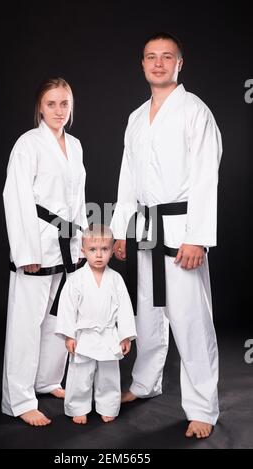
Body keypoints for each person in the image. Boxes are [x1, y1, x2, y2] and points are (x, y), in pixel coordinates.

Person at [111, 32, 222, 439]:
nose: (158, 63)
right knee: (147, 311)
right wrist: (121, 229)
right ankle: (144, 382)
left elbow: (206, 177)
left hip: (180, 229)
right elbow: (128, 180)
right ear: (142, 64)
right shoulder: (136, 117)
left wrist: (198, 237)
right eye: (150, 57)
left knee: (191, 320)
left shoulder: (195, 111)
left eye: (167, 57)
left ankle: (202, 407)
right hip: (143, 227)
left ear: (180, 63)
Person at [2, 77, 88, 426]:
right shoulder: (28, 144)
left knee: (60, 316)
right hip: (36, 241)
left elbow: (78, 199)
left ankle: (48, 379)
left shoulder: (76, 145)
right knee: (26, 321)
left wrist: (82, 239)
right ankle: (19, 399)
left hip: (67, 243)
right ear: (40, 107)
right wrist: (25, 251)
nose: (58, 110)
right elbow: (16, 197)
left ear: (71, 106)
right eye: (51, 104)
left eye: (64, 103)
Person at [55, 225, 137, 424]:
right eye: (93, 250)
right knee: (80, 374)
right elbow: (66, 309)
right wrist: (69, 335)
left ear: (111, 250)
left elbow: (125, 309)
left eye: (104, 249)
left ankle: (108, 405)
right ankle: (78, 406)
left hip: (109, 334)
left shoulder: (116, 279)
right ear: (83, 250)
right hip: (84, 335)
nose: (99, 255)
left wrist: (125, 335)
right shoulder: (75, 279)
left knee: (108, 375)